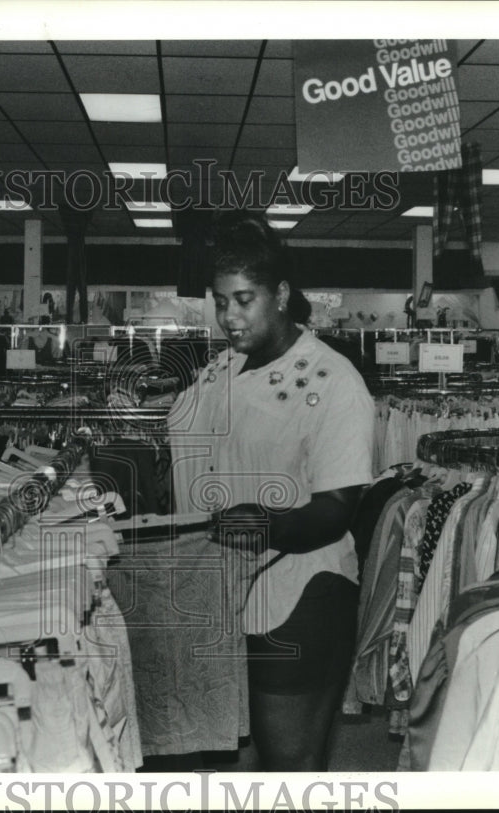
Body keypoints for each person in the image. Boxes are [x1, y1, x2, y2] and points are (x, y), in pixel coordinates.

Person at [166, 209, 376, 771]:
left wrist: (266, 524)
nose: (228, 316)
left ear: (280, 294)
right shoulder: (220, 370)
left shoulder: (334, 383)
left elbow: (337, 508)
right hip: (218, 589)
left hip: (298, 590)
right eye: (219, 301)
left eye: (244, 299)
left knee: (291, 765)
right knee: (236, 759)